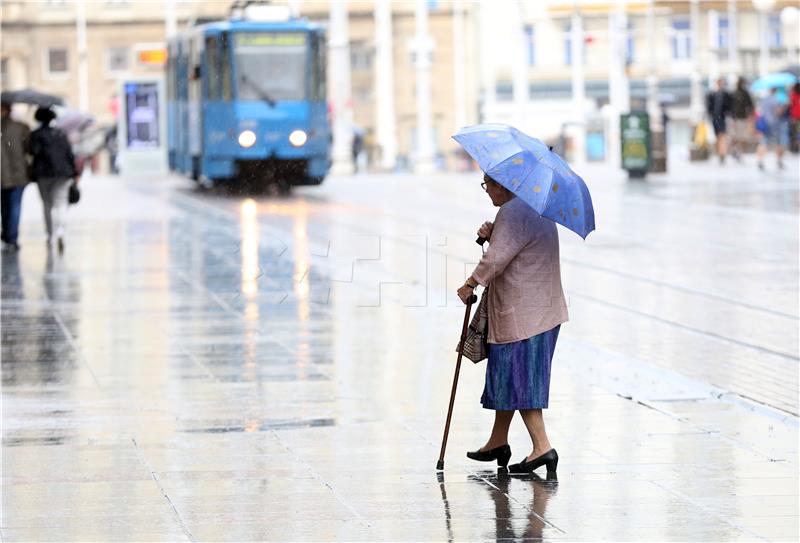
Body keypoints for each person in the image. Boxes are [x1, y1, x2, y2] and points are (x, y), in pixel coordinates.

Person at [457, 174, 568, 475]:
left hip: (525, 316)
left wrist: (470, 283)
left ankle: (542, 447)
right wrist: (497, 233)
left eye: (488, 184)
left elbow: (495, 259)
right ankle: (498, 441)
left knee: (520, 381)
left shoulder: (513, 211)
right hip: (541, 311)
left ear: (504, 185)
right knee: (508, 377)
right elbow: (516, 246)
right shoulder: (532, 208)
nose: (486, 190)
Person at [28, 107, 78, 252]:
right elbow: (69, 155)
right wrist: (74, 173)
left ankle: (50, 235)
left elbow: (33, 152)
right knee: (61, 203)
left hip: (43, 173)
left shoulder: (36, 135)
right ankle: (61, 231)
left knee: (47, 205)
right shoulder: (61, 134)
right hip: (63, 173)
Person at [1, 102, 31, 251]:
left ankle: (8, 235)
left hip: (6, 175)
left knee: (5, 207)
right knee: (14, 206)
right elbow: (29, 149)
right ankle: (11, 237)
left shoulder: (20, 127)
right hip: (18, 174)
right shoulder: (21, 128)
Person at [756, 88, 789, 171]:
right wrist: (784, 107)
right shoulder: (777, 100)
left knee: (764, 142)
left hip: (765, 124)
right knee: (779, 142)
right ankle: (779, 160)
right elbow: (778, 112)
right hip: (775, 124)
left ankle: (760, 160)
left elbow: (760, 112)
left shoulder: (764, 100)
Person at [706, 77, 732, 164]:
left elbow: (729, 107)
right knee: (718, 136)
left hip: (723, 118)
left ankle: (722, 154)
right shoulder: (712, 94)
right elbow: (709, 107)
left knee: (722, 136)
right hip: (715, 118)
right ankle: (720, 153)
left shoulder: (726, 94)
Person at [730, 77, 754, 161]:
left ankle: (738, 151)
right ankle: (736, 150)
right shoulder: (735, 93)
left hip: (741, 117)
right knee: (736, 136)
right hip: (736, 118)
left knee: (741, 136)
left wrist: (750, 116)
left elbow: (750, 105)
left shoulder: (743, 93)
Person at [789, 82, 800, 154]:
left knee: (795, 132)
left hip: (795, 116)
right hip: (796, 116)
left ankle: (796, 147)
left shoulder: (793, 95)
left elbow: (791, 105)